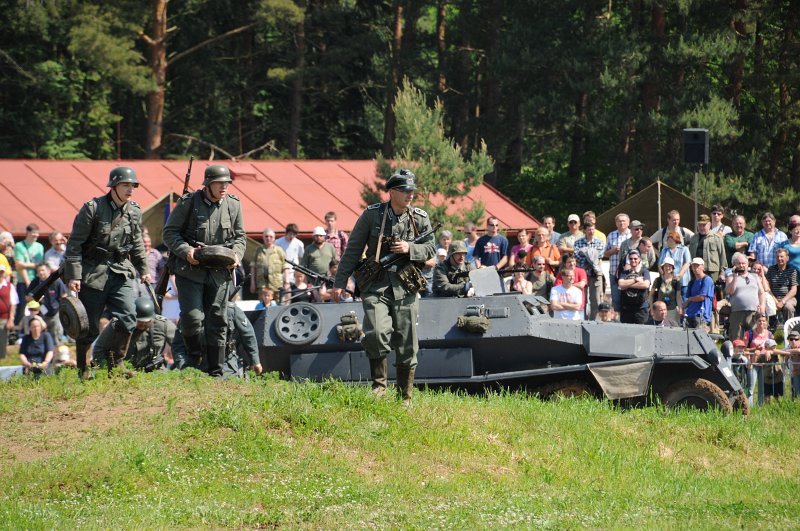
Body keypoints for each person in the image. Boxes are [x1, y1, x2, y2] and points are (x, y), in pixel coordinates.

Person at [332, 169, 435, 406]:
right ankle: (379, 388)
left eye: (412, 191)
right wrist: (340, 282)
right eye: (405, 191)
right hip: (375, 284)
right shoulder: (372, 215)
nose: (410, 195)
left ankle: (405, 397)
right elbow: (353, 250)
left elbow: (431, 248)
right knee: (376, 333)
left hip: (406, 285)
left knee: (408, 342)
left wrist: (410, 248)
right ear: (392, 192)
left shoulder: (419, 218)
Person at [65, 166, 151, 380]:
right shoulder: (93, 208)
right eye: (125, 185)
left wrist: (144, 270)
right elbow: (75, 244)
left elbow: (137, 242)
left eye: (132, 185)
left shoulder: (134, 210)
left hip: (121, 272)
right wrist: (74, 275)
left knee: (128, 318)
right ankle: (83, 371)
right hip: (93, 273)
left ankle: (116, 365)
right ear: (113, 186)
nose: (130, 189)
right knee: (88, 326)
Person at [162, 164, 246, 378]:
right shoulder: (189, 203)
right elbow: (170, 233)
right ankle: (195, 360)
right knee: (193, 318)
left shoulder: (234, 205)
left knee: (218, 319)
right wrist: (186, 250)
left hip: (220, 272)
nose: (224, 186)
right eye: (220, 183)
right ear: (208, 184)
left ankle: (216, 371)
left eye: (227, 183)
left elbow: (240, 238)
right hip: (190, 271)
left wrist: (236, 255)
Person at [92, 297, 176, 373]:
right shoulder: (118, 324)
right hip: (123, 370)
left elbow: (180, 345)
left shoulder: (163, 324)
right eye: (139, 322)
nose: (142, 325)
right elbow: (99, 350)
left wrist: (178, 368)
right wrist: (109, 371)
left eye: (146, 322)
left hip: (155, 371)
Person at [726, 252, 765, 340]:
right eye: (739, 263)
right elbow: (730, 292)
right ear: (734, 265)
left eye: (743, 263)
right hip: (737, 312)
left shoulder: (755, 276)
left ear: (747, 264)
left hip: (754, 312)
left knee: (756, 339)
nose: (741, 265)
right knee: (737, 340)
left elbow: (761, 293)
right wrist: (735, 277)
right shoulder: (730, 277)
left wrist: (762, 306)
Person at [27, 263, 67, 345]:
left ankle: (57, 354)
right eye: (39, 271)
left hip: (55, 314)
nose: (41, 273)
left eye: (43, 270)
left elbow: (64, 296)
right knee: (42, 338)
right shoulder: (35, 282)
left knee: (56, 336)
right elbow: (27, 297)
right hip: (41, 314)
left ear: (49, 271)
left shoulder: (56, 281)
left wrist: (61, 310)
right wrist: (35, 298)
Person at [14, 223, 44, 329]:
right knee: (22, 306)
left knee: (37, 305)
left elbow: (39, 265)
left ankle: (38, 328)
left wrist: (26, 264)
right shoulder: (19, 246)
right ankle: (19, 330)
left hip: (37, 281)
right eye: (33, 233)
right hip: (23, 282)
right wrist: (28, 284)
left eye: (37, 233)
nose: (35, 236)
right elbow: (19, 265)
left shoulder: (39, 246)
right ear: (27, 233)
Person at [573, 221, 605, 320]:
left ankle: (594, 320)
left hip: (595, 274)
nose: (591, 231)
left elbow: (600, 255)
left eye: (593, 229)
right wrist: (591, 255)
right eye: (589, 229)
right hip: (583, 273)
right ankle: (583, 319)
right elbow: (577, 256)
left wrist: (585, 253)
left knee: (595, 299)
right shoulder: (578, 242)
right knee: (583, 298)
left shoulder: (599, 242)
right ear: (584, 231)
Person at [743, 316, 774, 406]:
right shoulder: (749, 333)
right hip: (753, 364)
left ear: (766, 322)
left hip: (765, 364)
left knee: (762, 388)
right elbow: (743, 349)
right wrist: (754, 349)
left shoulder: (769, 334)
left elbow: (774, 348)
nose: (761, 322)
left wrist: (769, 351)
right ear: (755, 322)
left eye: (763, 321)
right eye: (759, 320)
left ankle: (760, 407)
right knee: (751, 388)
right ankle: (749, 407)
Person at [251, 228, 289, 299]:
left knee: (279, 306)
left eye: (271, 237)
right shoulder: (258, 251)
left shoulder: (279, 251)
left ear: (274, 238)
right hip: (262, 285)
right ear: (263, 237)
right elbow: (253, 268)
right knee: (263, 306)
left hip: (277, 285)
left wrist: (286, 282)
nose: (268, 238)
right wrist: (252, 283)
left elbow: (285, 267)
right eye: (266, 236)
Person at [688, 214, 728, 282]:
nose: (701, 227)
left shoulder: (717, 238)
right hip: (695, 271)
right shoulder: (693, 239)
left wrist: (722, 273)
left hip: (711, 272)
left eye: (704, 225)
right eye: (700, 225)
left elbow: (722, 257)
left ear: (709, 225)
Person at [605, 213, 631, 313]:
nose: (621, 223)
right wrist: (612, 251)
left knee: (628, 298)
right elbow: (605, 254)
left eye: (624, 221)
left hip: (628, 273)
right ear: (616, 223)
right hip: (614, 272)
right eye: (619, 221)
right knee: (616, 299)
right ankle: (617, 320)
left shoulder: (631, 234)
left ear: (628, 223)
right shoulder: (611, 235)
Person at [617, 250, 651, 324]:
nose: (633, 260)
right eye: (631, 258)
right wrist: (636, 280)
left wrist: (627, 285)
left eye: (635, 258)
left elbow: (645, 285)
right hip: (626, 308)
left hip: (641, 308)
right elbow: (620, 284)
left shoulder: (645, 272)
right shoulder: (624, 273)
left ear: (639, 259)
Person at [765, 248, 797, 324]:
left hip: (788, 298)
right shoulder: (771, 269)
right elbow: (767, 287)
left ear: (787, 258)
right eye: (777, 257)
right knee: (766, 305)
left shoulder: (792, 270)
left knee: (788, 307)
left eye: (782, 256)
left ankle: (790, 331)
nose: (779, 258)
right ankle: (770, 330)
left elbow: (794, 290)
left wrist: (782, 302)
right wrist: (774, 300)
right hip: (773, 297)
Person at [683, 257, 714, 331]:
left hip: (701, 316)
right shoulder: (692, 282)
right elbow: (688, 299)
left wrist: (690, 299)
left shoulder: (707, 280)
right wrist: (682, 307)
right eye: (694, 266)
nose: (695, 268)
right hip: (690, 315)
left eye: (698, 265)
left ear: (703, 266)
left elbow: (702, 297)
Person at [659, 230, 692, 298]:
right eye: (667, 240)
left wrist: (680, 275)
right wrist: (663, 275)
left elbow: (687, 263)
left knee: (684, 300)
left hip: (683, 281)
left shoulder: (684, 249)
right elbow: (660, 264)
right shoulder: (664, 250)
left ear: (676, 240)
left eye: (670, 240)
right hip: (668, 281)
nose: (668, 242)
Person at [650, 257, 683, 324]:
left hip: (672, 310)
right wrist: (651, 308)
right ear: (663, 267)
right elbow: (651, 294)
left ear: (673, 268)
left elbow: (678, 297)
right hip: (659, 310)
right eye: (665, 266)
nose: (667, 268)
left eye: (669, 266)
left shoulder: (676, 282)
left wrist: (680, 308)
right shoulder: (658, 280)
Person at [0, 266, 18, 360]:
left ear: (4, 274)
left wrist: (11, 319)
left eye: (1, 272)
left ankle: (2, 360)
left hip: (4, 317)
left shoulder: (9, 286)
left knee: (2, 341)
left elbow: (13, 303)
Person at [786, 329, 800, 398]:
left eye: (796, 339)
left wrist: (788, 351)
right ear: (788, 340)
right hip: (795, 374)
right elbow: (776, 351)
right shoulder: (788, 347)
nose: (794, 341)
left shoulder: (788, 349)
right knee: (796, 393)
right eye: (791, 339)